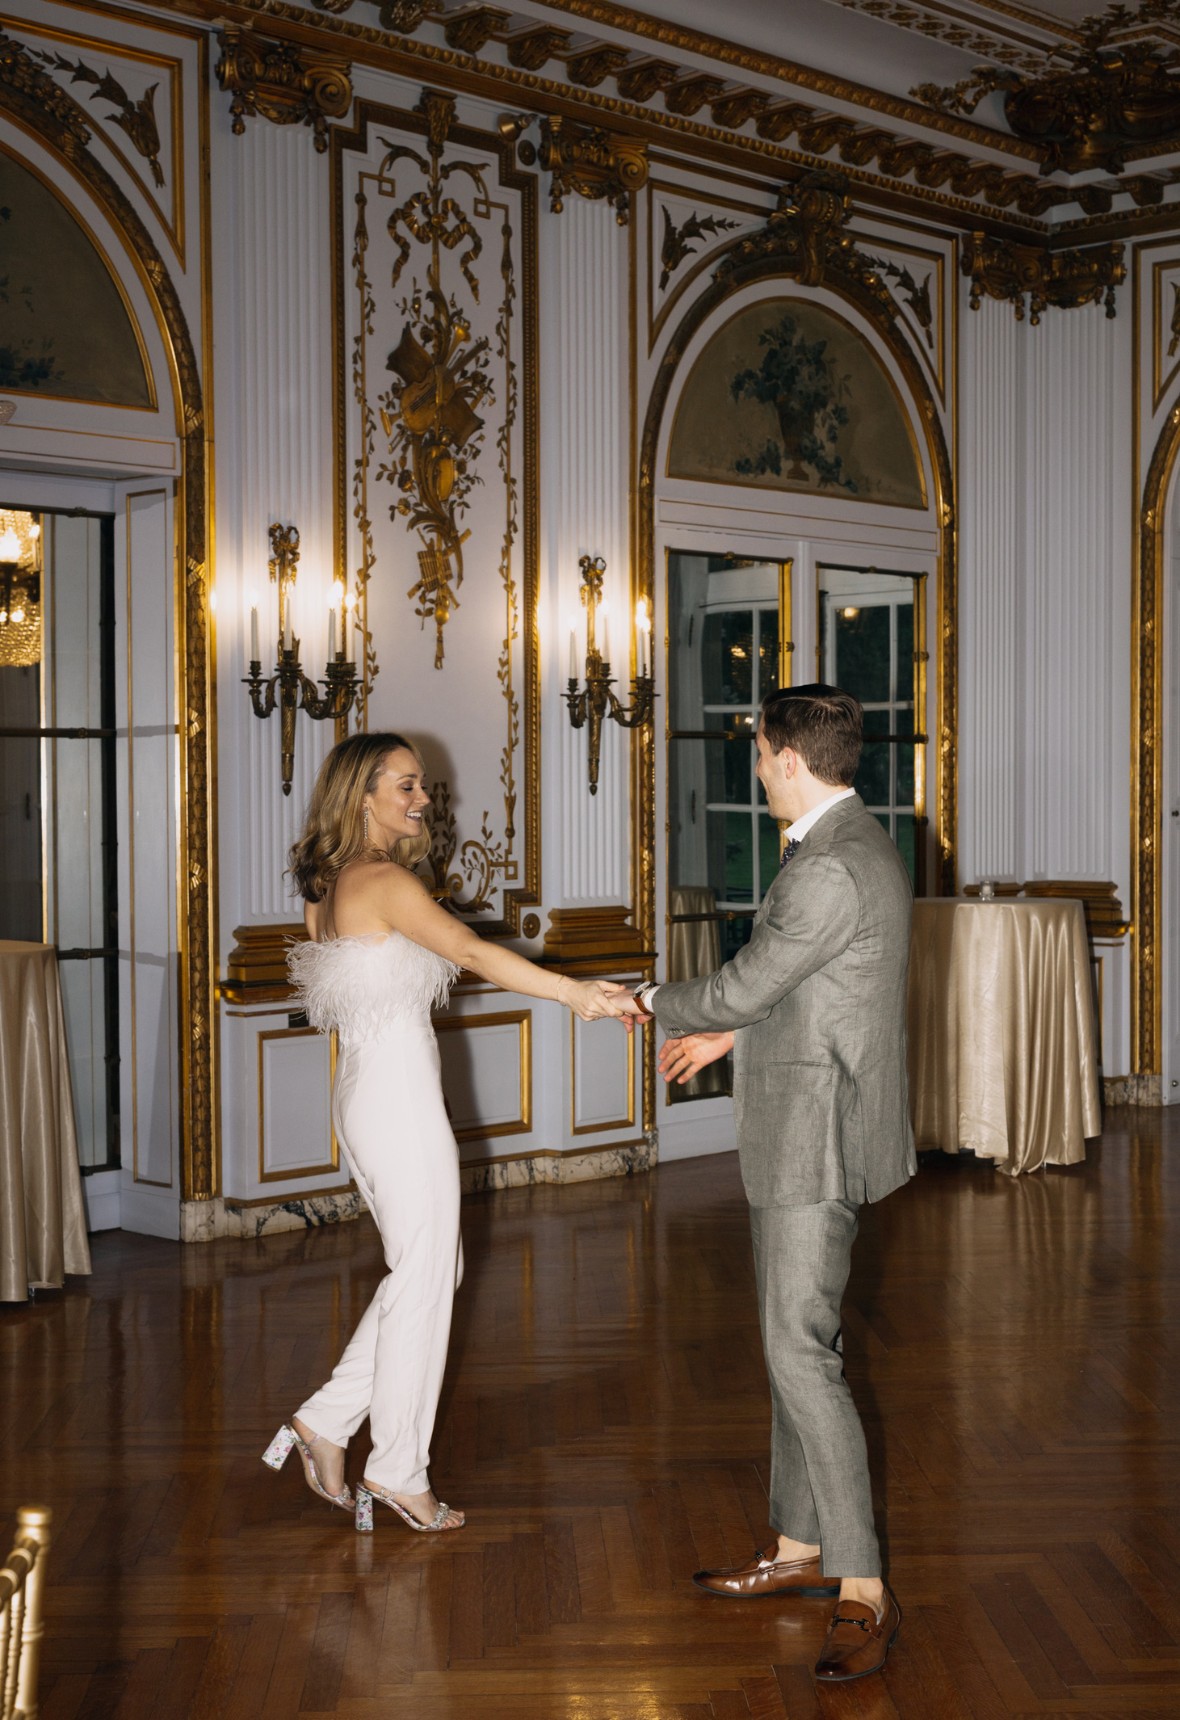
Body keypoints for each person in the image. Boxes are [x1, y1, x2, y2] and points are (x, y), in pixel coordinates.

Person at [619, 684, 915, 1682]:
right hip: (808, 1117)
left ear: (789, 759)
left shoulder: (829, 866)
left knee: (799, 1352)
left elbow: (750, 975)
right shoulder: (856, 844)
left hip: (812, 1137)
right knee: (794, 1344)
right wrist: (736, 1031)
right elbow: (814, 985)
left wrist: (650, 999)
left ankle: (864, 1585)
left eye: (756, 754)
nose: (751, 767)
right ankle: (797, 1548)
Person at [262, 731, 628, 1535]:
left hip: (365, 1093)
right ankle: (396, 1469)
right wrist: (575, 994)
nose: (422, 799)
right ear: (362, 795)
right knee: (426, 1274)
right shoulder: (382, 880)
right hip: (394, 1097)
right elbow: (466, 948)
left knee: (432, 1267)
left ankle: (325, 1423)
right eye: (405, 786)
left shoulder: (326, 884)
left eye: (421, 785)